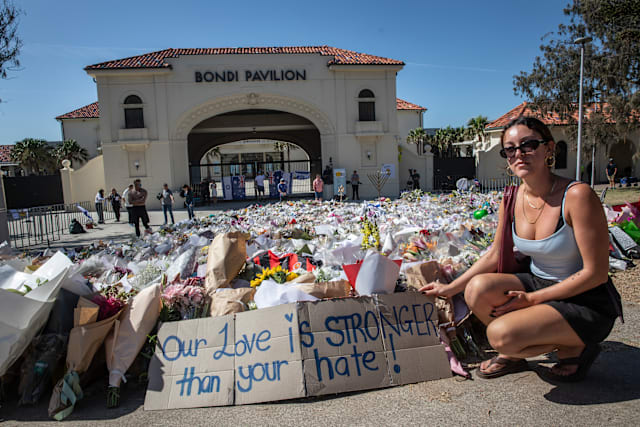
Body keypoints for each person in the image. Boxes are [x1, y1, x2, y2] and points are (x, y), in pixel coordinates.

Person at [420, 116, 621, 382]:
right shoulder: (512, 197)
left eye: (528, 145)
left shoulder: (576, 196)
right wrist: (449, 289)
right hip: (537, 282)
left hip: (584, 299)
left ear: (549, 148)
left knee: (499, 336)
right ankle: (515, 354)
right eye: (511, 149)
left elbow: (595, 274)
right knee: (475, 289)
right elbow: (494, 254)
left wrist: (532, 300)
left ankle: (575, 346)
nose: (519, 154)